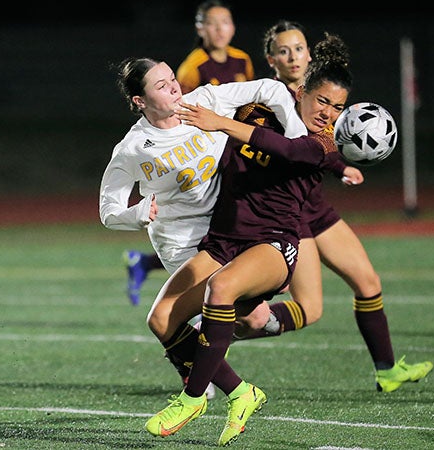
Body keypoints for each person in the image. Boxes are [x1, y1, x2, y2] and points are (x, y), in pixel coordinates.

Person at [143, 33, 362, 447]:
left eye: (337, 107)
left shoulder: (320, 143)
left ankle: (192, 398)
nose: (328, 113)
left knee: (220, 288)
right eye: (322, 101)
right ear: (302, 91)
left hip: (275, 244)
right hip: (223, 239)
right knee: (162, 318)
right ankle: (243, 393)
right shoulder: (258, 106)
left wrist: (344, 166)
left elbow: (283, 150)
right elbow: (212, 104)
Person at [232, 20, 434, 393]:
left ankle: (386, 370)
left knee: (369, 282)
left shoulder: (326, 92)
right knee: (309, 308)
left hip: (316, 207)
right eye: (284, 50)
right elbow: (288, 151)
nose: (293, 56)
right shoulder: (268, 99)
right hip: (287, 213)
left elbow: (323, 145)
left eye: (299, 48)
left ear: (310, 53)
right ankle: (216, 333)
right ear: (270, 59)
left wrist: (342, 165)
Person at [99, 58, 306, 401]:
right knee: (194, 312)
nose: (174, 87)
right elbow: (108, 211)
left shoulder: (203, 103)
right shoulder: (133, 149)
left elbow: (269, 88)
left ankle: (192, 352)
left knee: (255, 320)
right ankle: (220, 384)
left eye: (171, 79)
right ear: (140, 101)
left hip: (229, 224)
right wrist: (137, 214)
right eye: (161, 86)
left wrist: (297, 139)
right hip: (181, 240)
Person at [123, 0, 255, 306]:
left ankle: (145, 264)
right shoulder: (192, 66)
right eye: (212, 23)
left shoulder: (243, 60)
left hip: (235, 147)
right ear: (201, 28)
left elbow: (248, 106)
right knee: (217, 225)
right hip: (208, 154)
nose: (220, 29)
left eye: (225, 22)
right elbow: (174, 111)